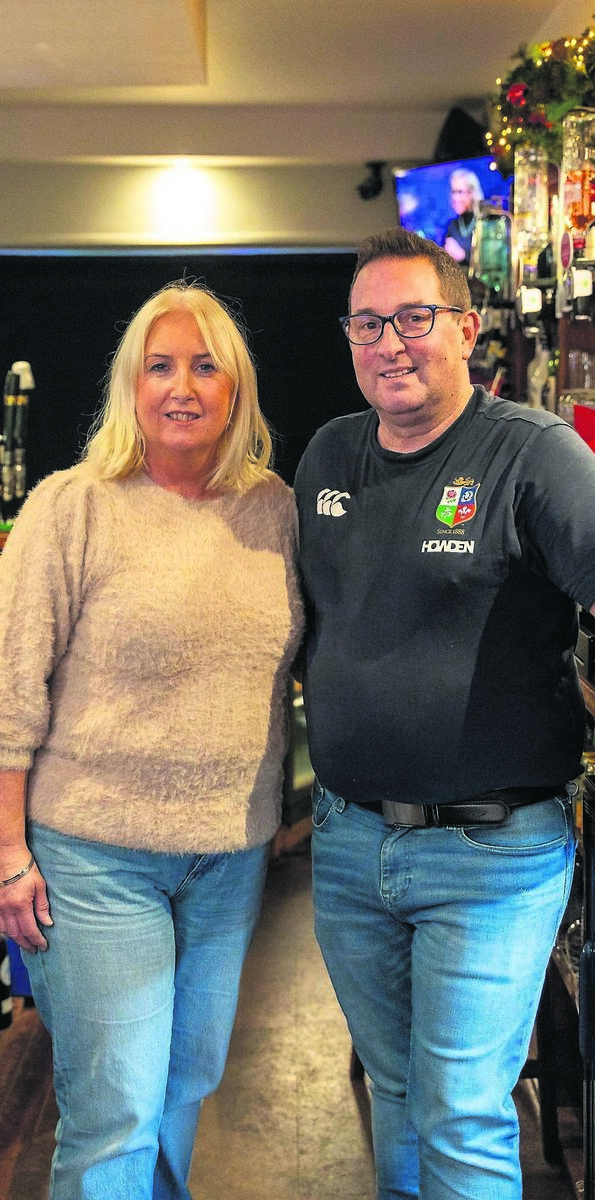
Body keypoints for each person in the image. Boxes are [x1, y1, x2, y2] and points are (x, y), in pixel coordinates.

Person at [293, 225, 595, 1199]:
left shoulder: (529, 452)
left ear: (465, 328)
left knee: (460, 1110)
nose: (390, 342)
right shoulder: (329, 456)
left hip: (491, 854)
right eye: (367, 322)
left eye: (414, 317)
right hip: (346, 846)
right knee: (396, 1090)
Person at [0, 281, 304, 1199]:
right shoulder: (72, 507)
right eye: (160, 366)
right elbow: (9, 691)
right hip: (95, 859)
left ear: (236, 389)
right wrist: (10, 854)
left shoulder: (276, 510)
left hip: (228, 856)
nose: (182, 386)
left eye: (205, 366)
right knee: (117, 1108)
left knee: (182, 1086)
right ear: (130, 386)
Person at [443, 167, 483, 265]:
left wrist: (463, 256)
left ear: (472, 193)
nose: (455, 198)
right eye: (453, 192)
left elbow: (492, 264)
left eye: (460, 192)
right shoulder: (452, 226)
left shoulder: (487, 222)